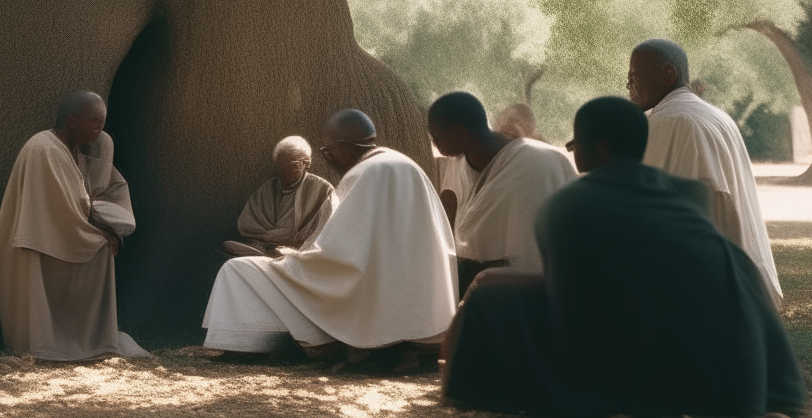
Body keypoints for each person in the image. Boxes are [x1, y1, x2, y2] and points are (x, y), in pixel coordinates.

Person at [443, 96, 804, 417]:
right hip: (729, 347)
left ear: (599, 148)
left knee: (490, 290)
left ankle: (488, 388)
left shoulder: (569, 204)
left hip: (644, 342)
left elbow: (572, 305)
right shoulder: (688, 191)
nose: (571, 149)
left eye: (576, 141)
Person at [202, 109, 457, 366]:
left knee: (237, 269)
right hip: (420, 304)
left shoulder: (360, 174)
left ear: (344, 146)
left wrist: (296, 260)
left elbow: (340, 255)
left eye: (328, 151)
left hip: (366, 292)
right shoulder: (406, 165)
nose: (329, 158)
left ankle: (253, 346)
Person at [0, 90, 148, 360]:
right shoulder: (46, 149)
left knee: (101, 248)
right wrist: (107, 232)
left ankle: (92, 338)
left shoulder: (70, 149)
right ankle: (58, 343)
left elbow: (91, 195)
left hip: (53, 237)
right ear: (72, 121)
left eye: (102, 124)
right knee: (100, 246)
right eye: (95, 123)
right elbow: (71, 210)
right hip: (34, 244)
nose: (99, 130)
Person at [629, 38, 782, 306]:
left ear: (669, 74)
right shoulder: (715, 116)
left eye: (635, 75)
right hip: (743, 278)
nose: (629, 84)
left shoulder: (669, 121)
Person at [428, 92, 576, 297]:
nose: (434, 144)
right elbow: (447, 220)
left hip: (532, 288)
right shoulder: (458, 163)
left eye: (437, 138)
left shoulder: (540, 164)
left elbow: (542, 247)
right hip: (475, 282)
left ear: (459, 131)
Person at [222, 136, 336, 257]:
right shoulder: (268, 188)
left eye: (292, 164)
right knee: (228, 246)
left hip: (301, 251)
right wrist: (266, 241)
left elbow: (326, 233)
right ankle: (266, 253)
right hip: (260, 246)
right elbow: (248, 223)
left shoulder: (324, 190)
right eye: (280, 164)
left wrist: (296, 249)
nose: (285, 169)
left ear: (306, 163)